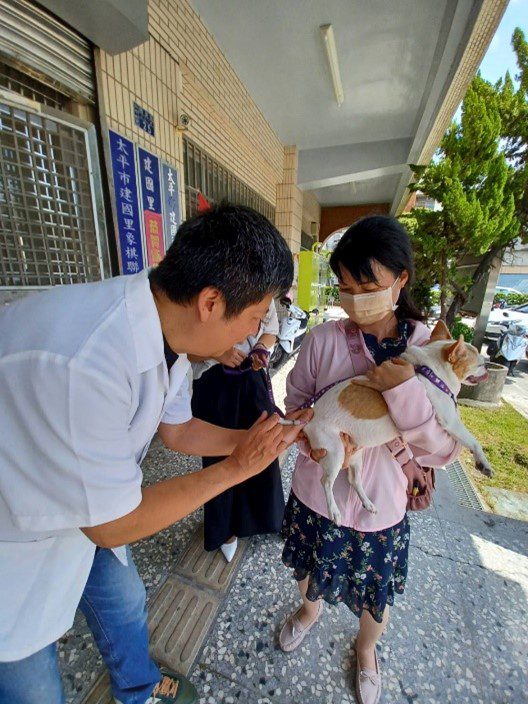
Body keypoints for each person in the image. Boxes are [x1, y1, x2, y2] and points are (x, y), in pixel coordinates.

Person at [0, 204, 306, 704]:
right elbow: (112, 525)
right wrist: (235, 469)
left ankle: (137, 687)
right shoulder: (90, 364)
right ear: (210, 301)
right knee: (33, 687)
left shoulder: (165, 329)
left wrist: (262, 439)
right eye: (251, 319)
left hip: (78, 508)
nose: (247, 338)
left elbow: (179, 431)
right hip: (16, 533)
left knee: (125, 600)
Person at [278, 216, 461, 704]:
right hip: (319, 494)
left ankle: (366, 652)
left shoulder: (430, 350)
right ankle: (309, 612)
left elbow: (443, 449)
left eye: (369, 285)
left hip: (382, 503)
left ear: (401, 280)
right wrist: (305, 438)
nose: (355, 298)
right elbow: (297, 409)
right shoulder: (322, 341)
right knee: (309, 570)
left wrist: (402, 391)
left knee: (375, 593)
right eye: (345, 286)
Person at [190, 300, 284, 562]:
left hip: (250, 378)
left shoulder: (262, 281)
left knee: (264, 446)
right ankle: (225, 529)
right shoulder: (202, 286)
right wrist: (217, 352)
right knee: (219, 454)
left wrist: (261, 349)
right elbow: (182, 346)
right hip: (213, 383)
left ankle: (265, 517)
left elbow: (270, 329)